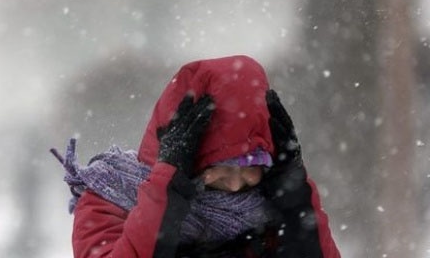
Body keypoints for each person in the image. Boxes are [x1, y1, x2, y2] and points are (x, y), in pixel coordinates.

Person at [51, 55, 341, 257]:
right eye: (221, 167)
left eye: (252, 166)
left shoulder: (272, 208)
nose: (236, 184)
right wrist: (166, 194)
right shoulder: (113, 196)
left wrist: (295, 200)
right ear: (189, 158)